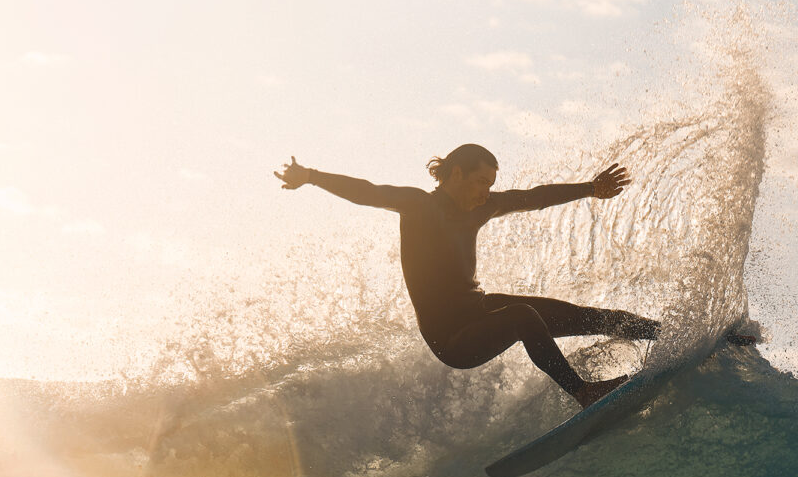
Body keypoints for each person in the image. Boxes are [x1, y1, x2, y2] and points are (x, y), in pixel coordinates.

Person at [274, 145, 660, 408]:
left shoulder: (481, 207)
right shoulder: (418, 206)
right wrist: (310, 175)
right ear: (455, 174)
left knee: (575, 315)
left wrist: (590, 188)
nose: (486, 193)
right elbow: (367, 191)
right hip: (453, 339)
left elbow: (531, 197)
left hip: (478, 309)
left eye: (490, 185)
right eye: (481, 182)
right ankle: (584, 393)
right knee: (525, 315)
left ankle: (667, 332)